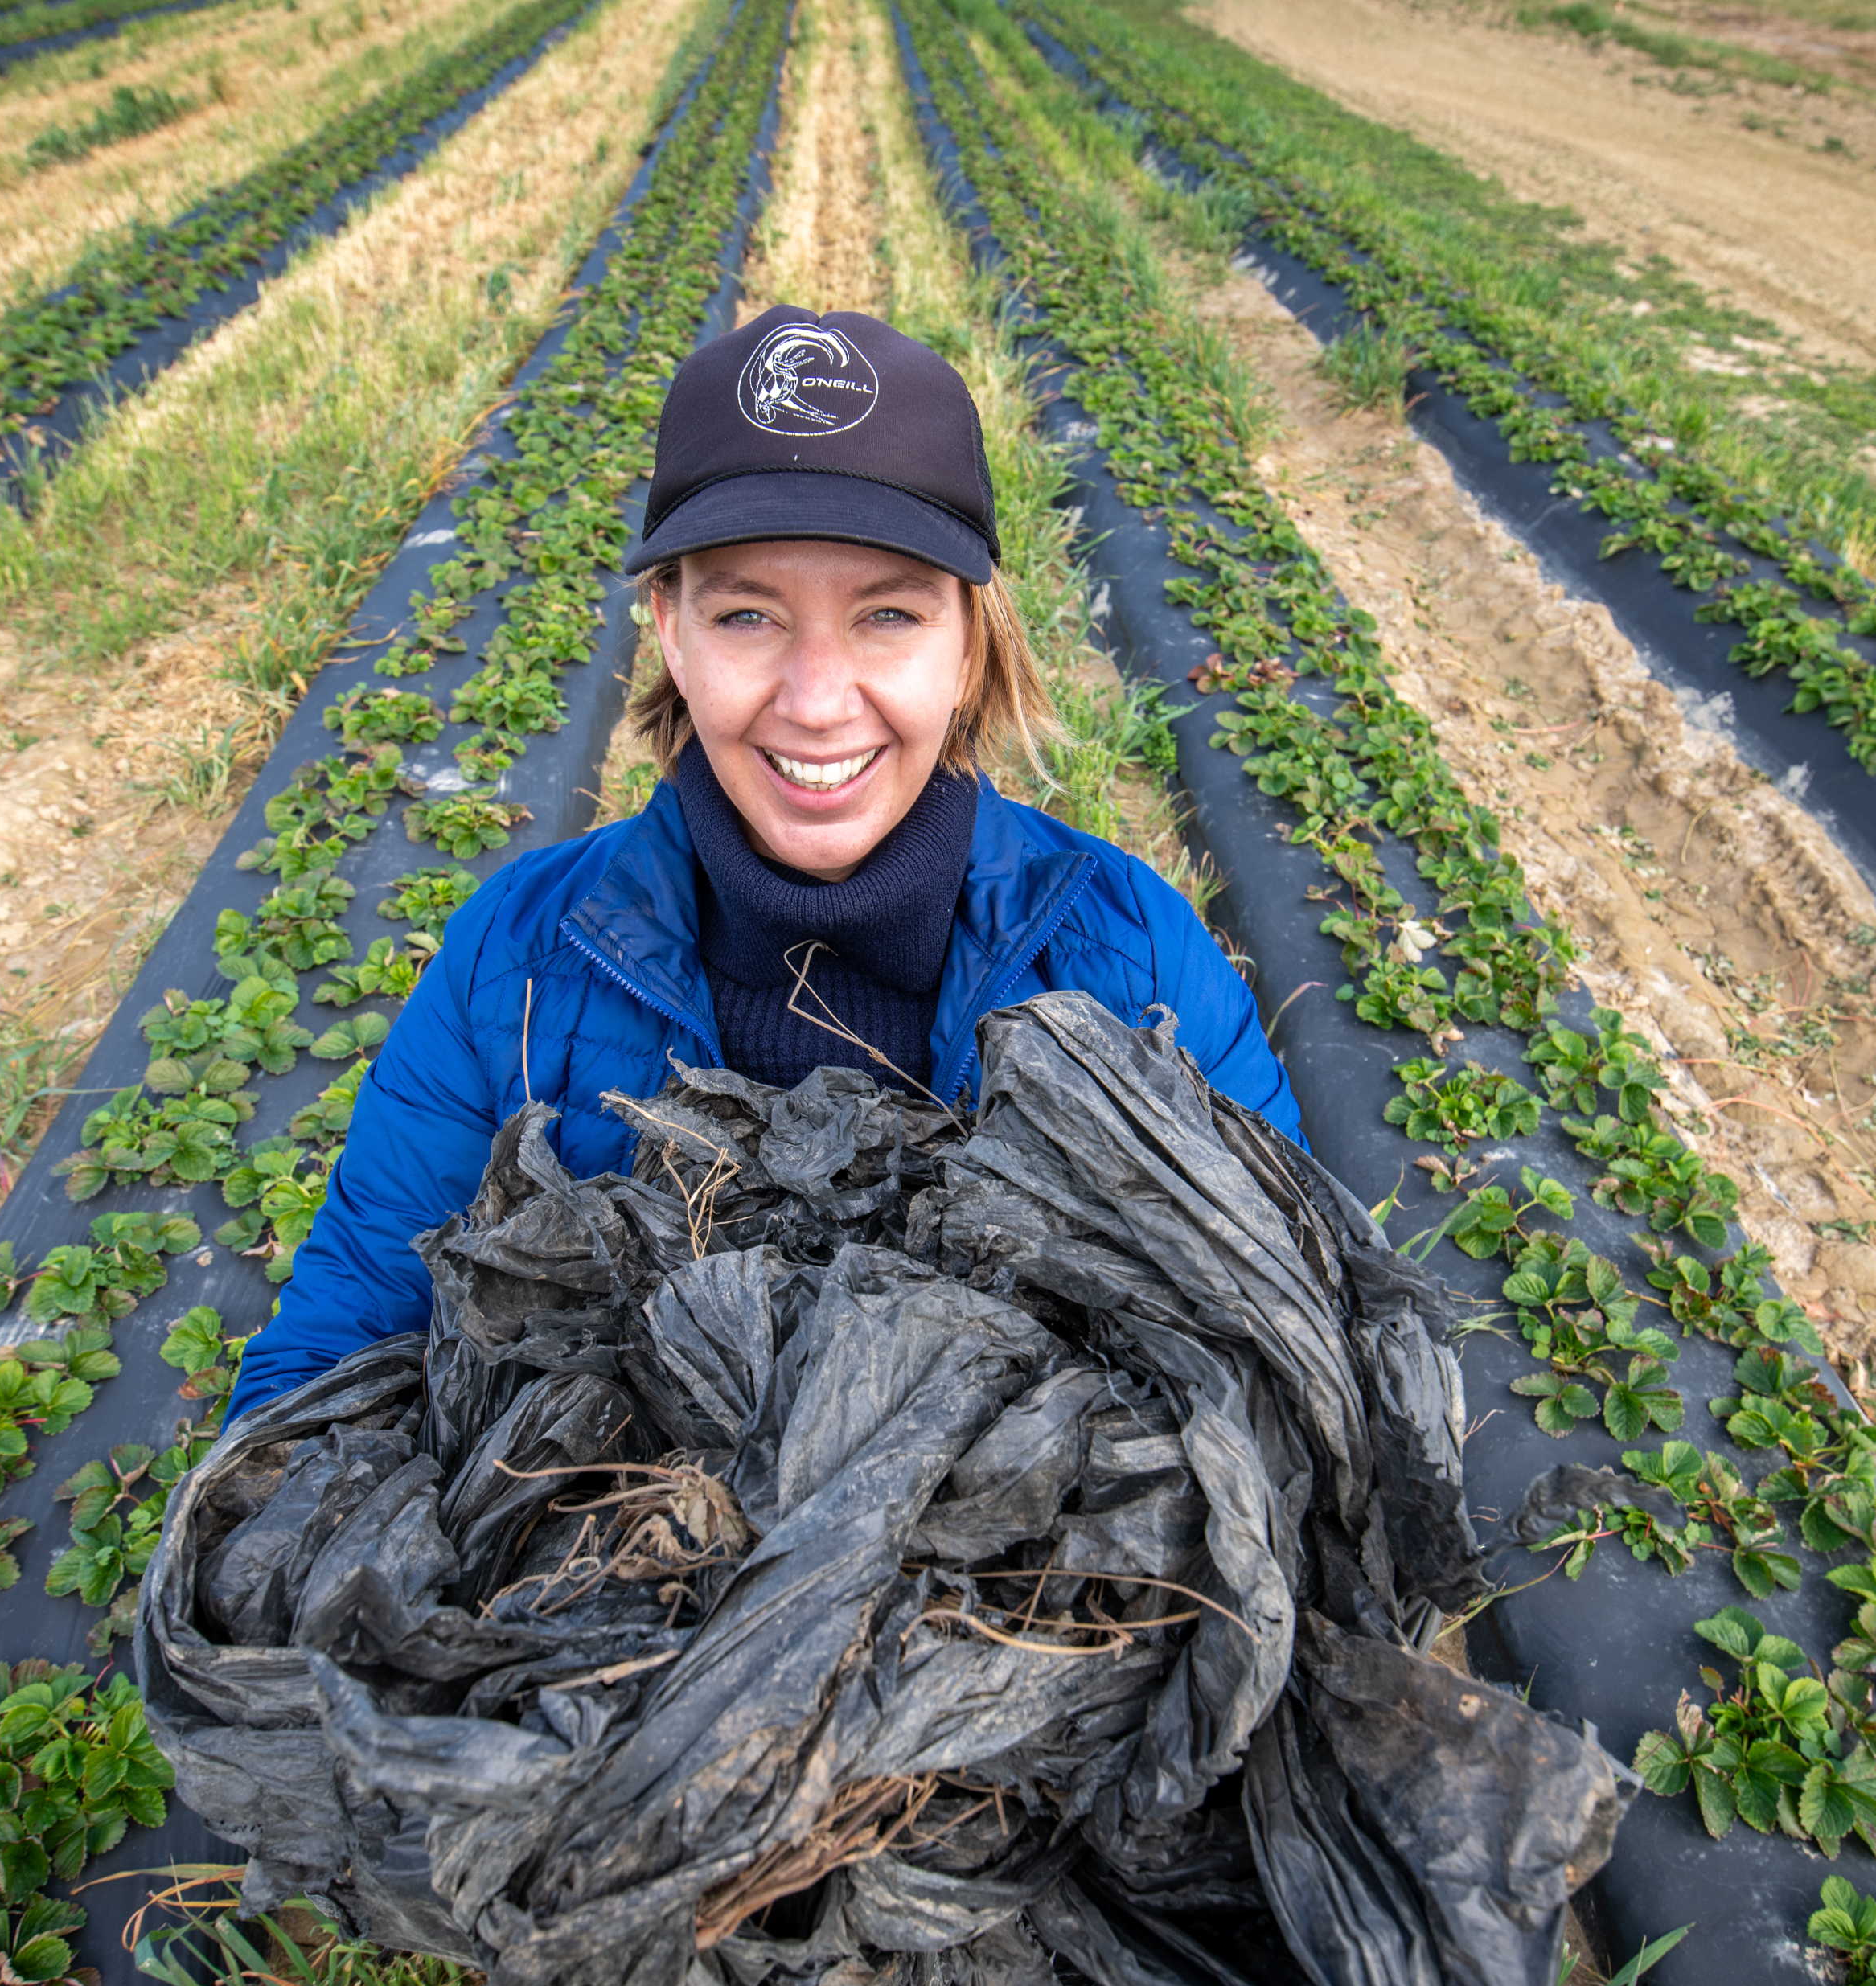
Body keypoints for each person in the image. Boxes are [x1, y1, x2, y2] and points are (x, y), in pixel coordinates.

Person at [228, 306, 1301, 1419]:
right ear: (669, 630)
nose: (818, 701)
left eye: (887, 614)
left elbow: (1279, 1343)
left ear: (967, 641)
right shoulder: (518, 958)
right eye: (747, 615)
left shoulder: (1135, 957)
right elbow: (339, 1344)